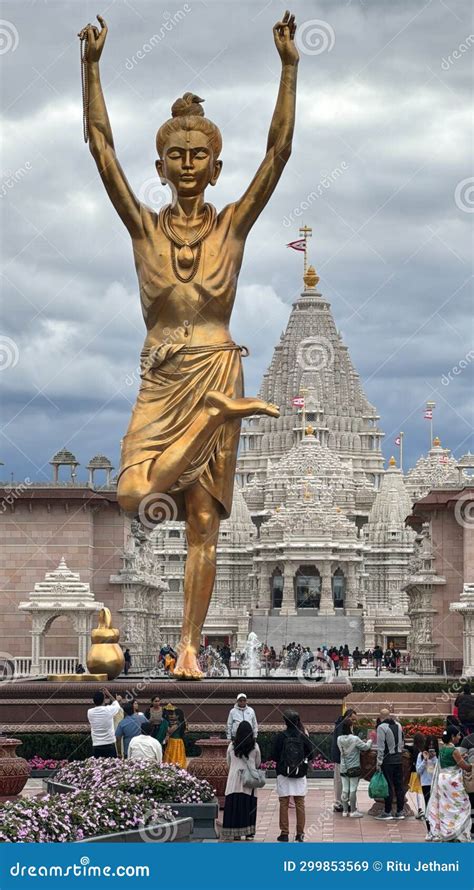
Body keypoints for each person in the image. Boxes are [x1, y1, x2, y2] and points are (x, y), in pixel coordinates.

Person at [78, 9, 299, 680]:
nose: (188, 164)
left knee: (205, 518)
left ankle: (193, 645)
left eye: (199, 155)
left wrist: (290, 68)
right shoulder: (144, 230)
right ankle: (212, 416)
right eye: (176, 155)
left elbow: (279, 154)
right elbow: (99, 149)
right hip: (163, 377)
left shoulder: (233, 226)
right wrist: (89, 69)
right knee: (129, 495)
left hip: (215, 363)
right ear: (161, 163)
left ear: (215, 162)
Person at [427, 726, 472, 842]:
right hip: (452, 782)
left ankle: (446, 831)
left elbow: (451, 762)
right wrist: (471, 764)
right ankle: (455, 832)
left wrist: (461, 758)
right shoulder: (454, 750)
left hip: (443, 780)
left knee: (446, 807)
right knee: (462, 804)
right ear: (452, 737)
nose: (460, 737)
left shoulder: (442, 749)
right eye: (457, 735)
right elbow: (465, 767)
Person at [221, 720, 261, 841]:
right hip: (249, 781)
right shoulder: (255, 746)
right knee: (248, 806)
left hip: (233, 780)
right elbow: (258, 763)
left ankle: (235, 833)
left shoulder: (232, 746)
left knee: (234, 806)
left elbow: (228, 762)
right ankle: (249, 833)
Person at [337, 718, 372, 818]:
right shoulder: (355, 739)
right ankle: (353, 811)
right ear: (350, 727)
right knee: (353, 789)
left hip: (343, 767)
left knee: (345, 789)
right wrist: (369, 741)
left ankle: (344, 811)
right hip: (354, 767)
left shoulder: (339, 739)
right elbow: (365, 747)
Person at [375, 708, 405, 820]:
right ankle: (400, 811)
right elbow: (402, 741)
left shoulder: (381, 727)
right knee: (399, 786)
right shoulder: (398, 725)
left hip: (388, 761)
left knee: (387, 785)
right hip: (399, 759)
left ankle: (387, 812)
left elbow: (381, 747)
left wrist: (379, 762)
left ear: (380, 716)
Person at [331, 708, 357, 813]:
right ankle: (339, 803)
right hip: (340, 758)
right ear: (348, 717)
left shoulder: (346, 725)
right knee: (339, 781)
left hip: (346, 759)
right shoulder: (342, 726)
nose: (354, 722)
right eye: (353, 719)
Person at [87, 688, 122, 758]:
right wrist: (108, 694)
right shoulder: (108, 709)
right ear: (104, 700)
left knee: (98, 767)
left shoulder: (89, 712)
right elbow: (117, 705)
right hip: (109, 744)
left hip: (97, 744)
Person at [416, 736, 438, 840]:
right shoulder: (421, 755)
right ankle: (429, 831)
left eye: (433, 745)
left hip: (436, 784)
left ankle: (436, 831)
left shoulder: (437, 757)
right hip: (426, 784)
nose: (431, 747)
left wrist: (433, 759)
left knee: (437, 807)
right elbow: (418, 771)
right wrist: (425, 760)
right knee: (428, 807)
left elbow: (438, 770)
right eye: (429, 745)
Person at [408, 731, 426, 819]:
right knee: (422, 791)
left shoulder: (413, 748)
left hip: (415, 772)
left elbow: (405, 747)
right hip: (425, 774)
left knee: (418, 792)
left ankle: (420, 809)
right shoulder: (425, 749)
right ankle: (424, 809)